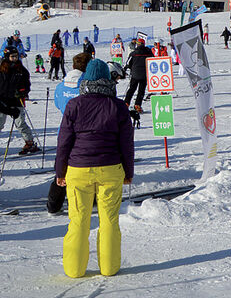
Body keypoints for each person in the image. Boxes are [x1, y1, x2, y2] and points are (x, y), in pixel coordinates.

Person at [55, 59, 134, 278]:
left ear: (85, 80)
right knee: (109, 220)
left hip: (78, 169)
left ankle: (74, 269)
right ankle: (109, 268)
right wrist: (128, 171)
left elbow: (64, 143)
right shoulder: (118, 107)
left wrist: (60, 172)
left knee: (78, 220)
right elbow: (126, 144)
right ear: (108, 80)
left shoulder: (74, 105)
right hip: (111, 169)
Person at [47, 52, 92, 215]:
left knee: (62, 166)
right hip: (83, 132)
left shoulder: (61, 85)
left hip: (64, 130)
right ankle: (89, 199)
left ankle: (53, 204)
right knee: (85, 165)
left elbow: (58, 103)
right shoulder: (86, 84)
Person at [0, 47, 40, 155]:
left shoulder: (21, 70)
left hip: (17, 100)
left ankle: (30, 143)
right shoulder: (1, 68)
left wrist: (23, 91)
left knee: (20, 123)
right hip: (2, 101)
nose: (14, 58)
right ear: (7, 57)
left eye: (16, 56)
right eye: (12, 56)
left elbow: (27, 84)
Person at [122, 39, 153, 114]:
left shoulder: (133, 53)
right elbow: (153, 61)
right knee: (141, 91)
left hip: (135, 74)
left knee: (131, 89)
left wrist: (127, 69)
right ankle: (137, 105)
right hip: (144, 74)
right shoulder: (148, 52)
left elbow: (128, 63)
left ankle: (126, 103)